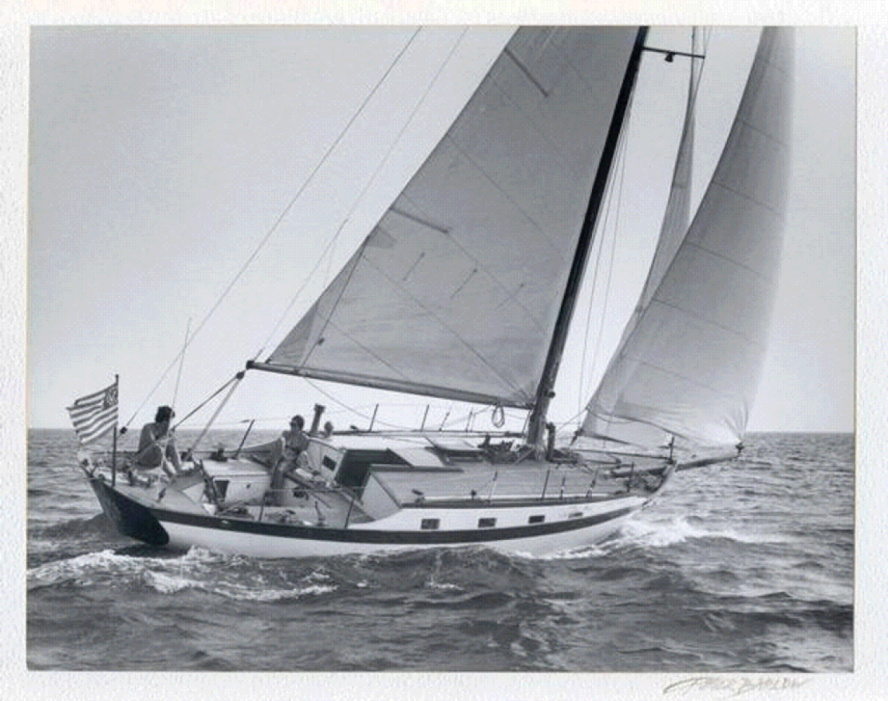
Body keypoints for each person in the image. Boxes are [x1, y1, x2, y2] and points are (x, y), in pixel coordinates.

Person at [269, 415, 310, 505]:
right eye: (291, 424)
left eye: (294, 425)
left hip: (292, 460)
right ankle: (270, 491)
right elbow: (279, 445)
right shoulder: (286, 434)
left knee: (280, 470)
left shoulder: (304, 439)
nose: (291, 427)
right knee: (275, 464)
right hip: (282, 456)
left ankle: (276, 499)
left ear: (299, 427)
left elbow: (300, 454)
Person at [136, 405, 182, 477]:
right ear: (164, 420)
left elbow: (171, 444)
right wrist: (164, 436)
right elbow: (152, 444)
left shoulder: (167, 431)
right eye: (170, 421)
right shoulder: (148, 428)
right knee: (158, 448)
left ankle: (179, 470)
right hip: (145, 458)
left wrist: (169, 435)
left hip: (158, 459)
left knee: (172, 448)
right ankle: (171, 475)